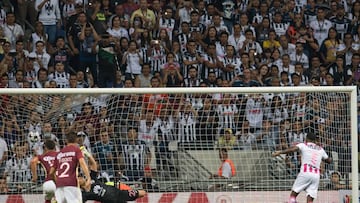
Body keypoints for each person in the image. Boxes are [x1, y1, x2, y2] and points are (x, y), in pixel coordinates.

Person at [272, 132, 332, 203]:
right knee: (310, 200)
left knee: (293, 195)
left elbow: (292, 149)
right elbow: (328, 161)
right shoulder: (320, 149)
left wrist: (279, 152)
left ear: (306, 138)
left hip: (305, 173)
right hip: (316, 175)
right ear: (315, 140)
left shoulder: (303, 145)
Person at [79, 144, 146, 203]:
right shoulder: (84, 194)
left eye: (79, 176)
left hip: (119, 194)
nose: (81, 177)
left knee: (142, 193)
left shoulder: (91, 179)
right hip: (109, 201)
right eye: (78, 178)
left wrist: (87, 154)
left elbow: (93, 165)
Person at [49, 131, 91, 203]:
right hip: (71, 184)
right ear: (77, 140)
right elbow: (82, 163)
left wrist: (57, 180)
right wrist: (88, 178)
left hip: (59, 184)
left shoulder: (59, 153)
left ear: (66, 140)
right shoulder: (76, 150)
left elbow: (51, 172)